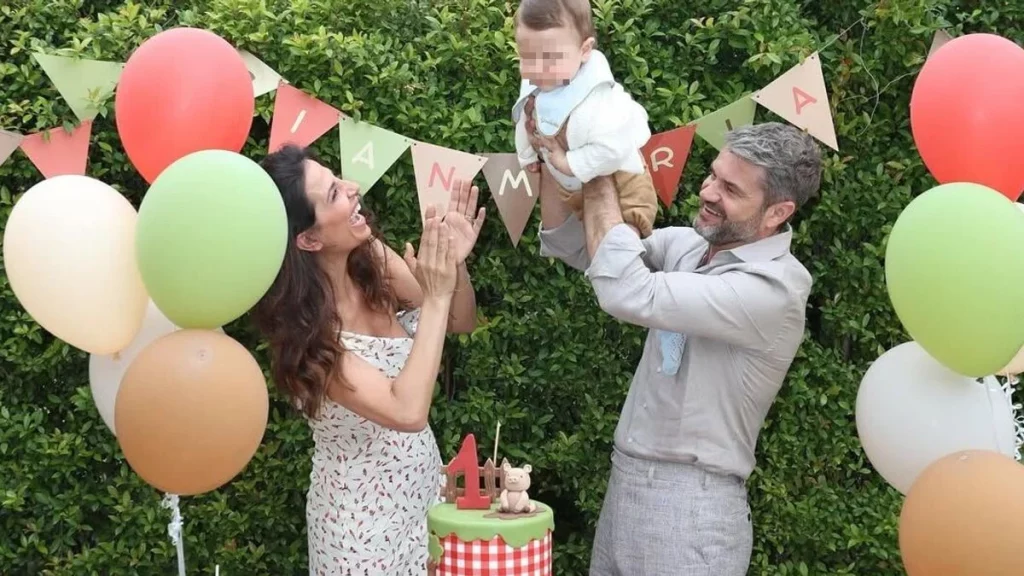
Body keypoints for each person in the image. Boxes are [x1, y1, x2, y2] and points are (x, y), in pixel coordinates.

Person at [533, 121, 821, 575]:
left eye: (730, 188)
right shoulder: (688, 246)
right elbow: (583, 248)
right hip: (625, 482)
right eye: (712, 174)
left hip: (693, 508)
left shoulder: (775, 289)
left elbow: (625, 290)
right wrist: (552, 158)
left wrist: (600, 170)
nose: (707, 191)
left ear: (776, 213)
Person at [251, 144, 485, 575]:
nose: (354, 189)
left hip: (423, 510)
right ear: (308, 238)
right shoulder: (310, 340)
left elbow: (458, 319)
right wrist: (436, 293)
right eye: (335, 193)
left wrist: (453, 264)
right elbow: (407, 410)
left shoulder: (371, 258)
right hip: (361, 536)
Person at [511, 0, 658, 238]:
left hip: (623, 182)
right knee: (575, 240)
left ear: (584, 50)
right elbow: (526, 116)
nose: (536, 70)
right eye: (526, 58)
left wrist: (566, 162)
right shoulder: (541, 80)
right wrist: (526, 154)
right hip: (572, 187)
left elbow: (612, 150)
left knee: (621, 242)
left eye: (549, 59)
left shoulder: (597, 101)